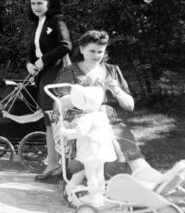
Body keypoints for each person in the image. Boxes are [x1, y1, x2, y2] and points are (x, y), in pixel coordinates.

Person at [56, 30, 185, 200]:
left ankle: (152, 180)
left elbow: (129, 106)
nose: (96, 55)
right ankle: (141, 181)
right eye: (92, 51)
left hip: (107, 117)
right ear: (81, 49)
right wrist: (90, 94)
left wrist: (115, 89)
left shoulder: (111, 70)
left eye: (100, 51)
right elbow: (60, 103)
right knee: (101, 138)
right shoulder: (69, 71)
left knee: (126, 142)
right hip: (79, 118)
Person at [24, 0, 72, 182]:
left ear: (49, 4)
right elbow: (33, 50)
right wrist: (28, 63)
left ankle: (58, 166)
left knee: (55, 119)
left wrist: (43, 60)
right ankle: (53, 164)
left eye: (40, 3)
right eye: (33, 3)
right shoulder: (38, 23)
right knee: (49, 120)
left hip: (56, 74)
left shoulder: (56, 20)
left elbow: (65, 46)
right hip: (43, 75)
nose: (35, 7)